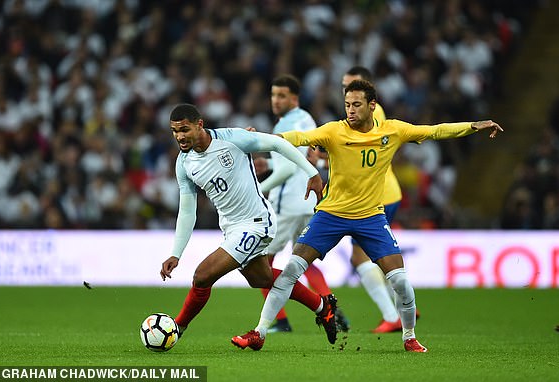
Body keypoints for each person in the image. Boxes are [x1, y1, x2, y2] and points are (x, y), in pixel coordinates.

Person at [232, 79, 503, 352]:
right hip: (331, 214)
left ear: (372, 106)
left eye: (357, 104)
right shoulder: (334, 131)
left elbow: (434, 131)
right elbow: (295, 138)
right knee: (291, 269)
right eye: (347, 104)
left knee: (400, 281)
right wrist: (257, 139)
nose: (350, 110)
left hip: (371, 218)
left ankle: (409, 336)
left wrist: (474, 126)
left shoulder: (392, 130)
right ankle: (260, 332)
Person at [159, 103, 338, 350]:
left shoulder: (232, 139)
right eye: (175, 131)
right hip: (232, 229)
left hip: (257, 223)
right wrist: (175, 253)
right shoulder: (184, 163)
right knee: (262, 278)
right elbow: (188, 210)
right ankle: (322, 306)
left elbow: (277, 144)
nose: (179, 136)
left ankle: (177, 328)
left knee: (202, 276)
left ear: (199, 125)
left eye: (184, 129)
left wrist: (311, 173)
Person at [252, 74, 350, 333]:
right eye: (273, 95)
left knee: (260, 263)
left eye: (281, 95)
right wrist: (270, 163)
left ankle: (281, 321)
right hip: (308, 203)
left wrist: (257, 190)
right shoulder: (307, 120)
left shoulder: (284, 127)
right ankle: (333, 310)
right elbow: (302, 162)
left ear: (293, 98)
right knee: (304, 261)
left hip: (286, 206)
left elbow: (285, 173)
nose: (276, 100)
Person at [342, 66, 405, 333]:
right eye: (344, 86)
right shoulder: (365, 111)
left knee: (362, 257)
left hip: (376, 195)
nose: (346, 91)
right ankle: (400, 305)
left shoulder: (369, 114)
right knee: (373, 256)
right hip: (384, 192)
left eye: (352, 86)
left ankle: (393, 314)